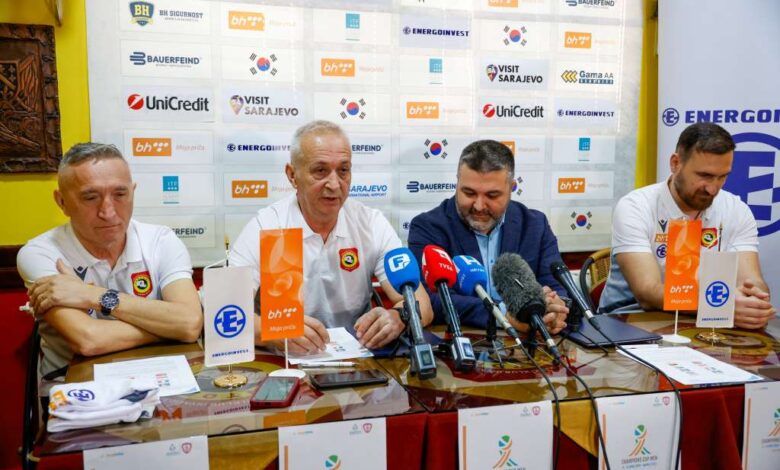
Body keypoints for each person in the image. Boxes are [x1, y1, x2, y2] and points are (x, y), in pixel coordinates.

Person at [229, 120, 433, 353]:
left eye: (343, 170)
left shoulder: (371, 223)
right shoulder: (267, 226)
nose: (335, 184)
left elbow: (423, 306)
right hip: (285, 363)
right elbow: (224, 312)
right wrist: (273, 332)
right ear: (292, 175)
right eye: (320, 171)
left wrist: (399, 317)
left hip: (359, 359)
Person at [17, 143, 203, 394]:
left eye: (120, 194)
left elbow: (190, 322)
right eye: (90, 197)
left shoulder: (160, 240)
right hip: (76, 392)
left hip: (159, 381)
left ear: (133, 192)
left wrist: (91, 295)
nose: (108, 211)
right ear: (62, 202)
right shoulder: (41, 253)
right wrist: (169, 328)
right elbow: (88, 339)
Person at [600, 122, 776, 329]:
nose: (713, 189)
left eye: (722, 177)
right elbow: (648, 293)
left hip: (706, 321)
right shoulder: (635, 206)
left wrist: (754, 301)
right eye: (705, 176)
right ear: (675, 163)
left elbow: (752, 281)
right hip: (631, 319)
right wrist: (721, 305)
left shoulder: (736, 209)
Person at [408, 139, 569, 334]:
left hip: (533, 340)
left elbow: (558, 288)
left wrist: (555, 309)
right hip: (465, 340)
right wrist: (504, 315)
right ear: (457, 182)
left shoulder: (535, 225)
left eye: (492, 195)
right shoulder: (428, 227)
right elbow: (432, 300)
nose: (479, 206)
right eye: (469, 193)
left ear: (511, 188)